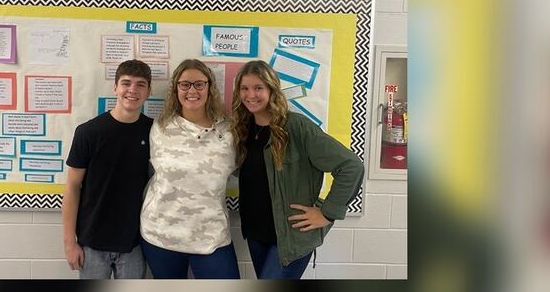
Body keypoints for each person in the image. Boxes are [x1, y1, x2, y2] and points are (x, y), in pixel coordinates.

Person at [231, 60, 364, 279]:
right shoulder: (243, 129)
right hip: (256, 234)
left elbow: (351, 166)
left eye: (258, 88)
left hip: (291, 238)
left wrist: (327, 213)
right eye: (244, 88)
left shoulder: (296, 126)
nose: (250, 95)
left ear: (272, 90)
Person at [139, 59, 240, 279]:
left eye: (199, 84)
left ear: (209, 87)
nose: (191, 90)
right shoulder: (160, 127)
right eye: (185, 84)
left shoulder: (230, 131)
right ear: (176, 89)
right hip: (161, 234)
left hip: (211, 237)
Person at [62, 60, 153, 279]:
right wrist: (69, 243)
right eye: (126, 83)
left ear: (148, 91)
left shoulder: (154, 132)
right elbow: (73, 187)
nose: (132, 90)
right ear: (115, 88)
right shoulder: (88, 132)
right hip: (91, 242)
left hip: (134, 243)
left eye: (140, 84)